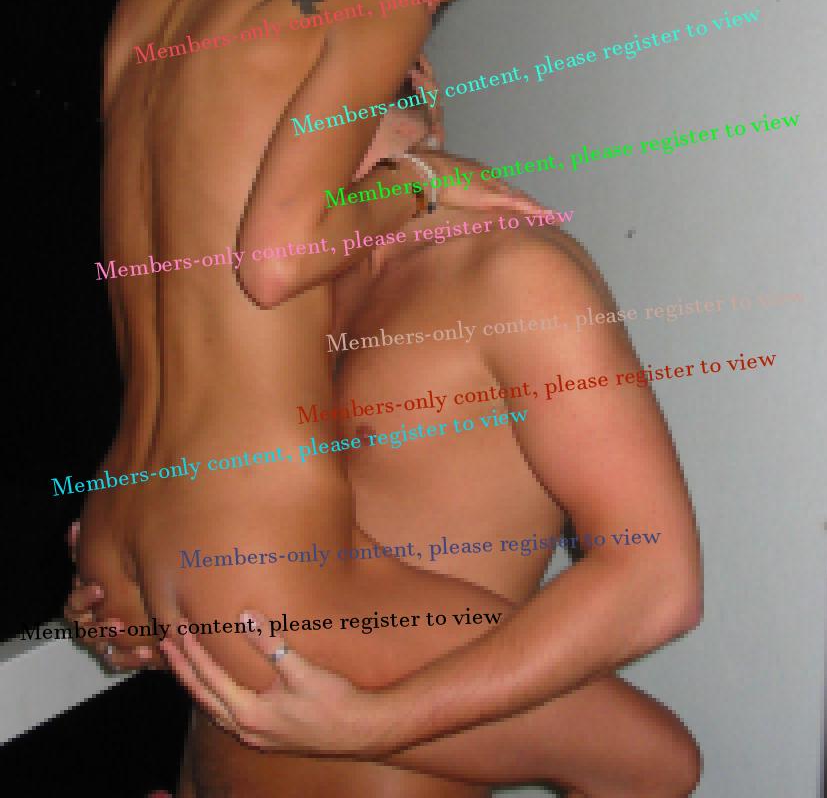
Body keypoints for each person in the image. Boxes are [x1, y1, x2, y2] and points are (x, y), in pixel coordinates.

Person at [70, 61, 702, 795]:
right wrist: (142, 612)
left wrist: (375, 724)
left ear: (422, 96)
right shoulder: (277, 298)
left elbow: (655, 582)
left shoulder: (512, 274)